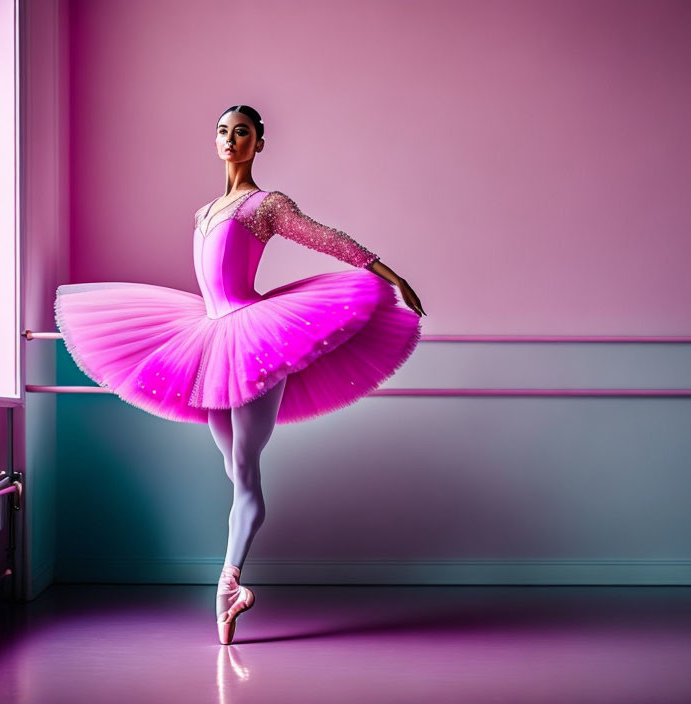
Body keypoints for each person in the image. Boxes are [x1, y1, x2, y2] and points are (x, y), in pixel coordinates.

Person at [54, 104, 425, 644]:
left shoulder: (265, 205)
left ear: (259, 142)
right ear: (216, 141)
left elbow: (326, 239)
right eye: (224, 132)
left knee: (245, 472)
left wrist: (392, 274)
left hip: (253, 340)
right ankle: (232, 591)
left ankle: (228, 585)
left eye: (243, 133)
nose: (232, 140)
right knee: (234, 469)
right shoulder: (205, 209)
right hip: (208, 338)